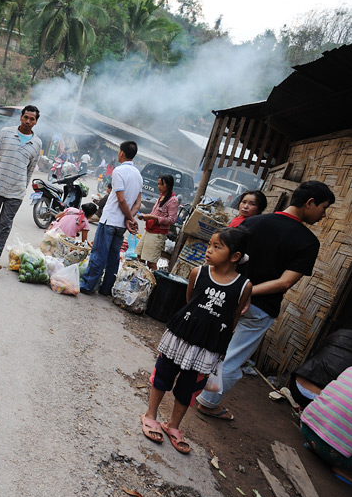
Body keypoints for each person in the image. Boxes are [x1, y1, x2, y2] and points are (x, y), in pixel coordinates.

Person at [196, 180, 335, 421]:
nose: (323, 215)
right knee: (233, 356)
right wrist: (250, 293)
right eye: (323, 207)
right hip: (260, 307)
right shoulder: (309, 242)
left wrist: (237, 290)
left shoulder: (253, 222)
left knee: (210, 343)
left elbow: (225, 258)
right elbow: (284, 283)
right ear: (309, 203)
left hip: (228, 296)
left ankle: (189, 387)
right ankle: (208, 402)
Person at [142, 228, 252, 454]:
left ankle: (173, 425)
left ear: (235, 257)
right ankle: (150, 415)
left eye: (216, 247)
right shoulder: (198, 272)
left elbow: (234, 317)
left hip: (208, 346)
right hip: (182, 336)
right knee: (163, 374)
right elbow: (190, 300)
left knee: (189, 386)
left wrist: (219, 346)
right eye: (209, 245)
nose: (209, 250)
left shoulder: (244, 286)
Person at [0, 105, 42, 270]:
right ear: (21, 117)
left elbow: (30, 170)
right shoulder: (5, 132)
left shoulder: (37, 144)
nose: (28, 121)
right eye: (26, 117)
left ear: (36, 122)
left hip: (16, 191)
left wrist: (23, 187)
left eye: (32, 119)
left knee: (5, 223)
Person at [79, 141, 142, 295]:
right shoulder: (138, 175)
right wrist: (130, 219)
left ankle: (87, 286)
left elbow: (121, 200)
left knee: (98, 254)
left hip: (109, 221)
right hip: (121, 225)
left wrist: (128, 218)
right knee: (113, 258)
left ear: (121, 153)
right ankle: (106, 289)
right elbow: (137, 203)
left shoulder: (119, 171)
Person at [300, 365, 352, 484]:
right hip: (336, 454)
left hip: (307, 428)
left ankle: (314, 446)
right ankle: (346, 472)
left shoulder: (350, 369)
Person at [137, 174, 178, 270]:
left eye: (161, 184)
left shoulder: (173, 200)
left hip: (158, 233)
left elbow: (172, 220)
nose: (159, 186)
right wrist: (146, 216)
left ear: (168, 185)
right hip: (149, 230)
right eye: (158, 184)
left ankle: (153, 281)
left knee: (151, 262)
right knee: (140, 256)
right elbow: (155, 212)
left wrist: (154, 218)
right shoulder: (161, 197)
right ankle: (143, 276)